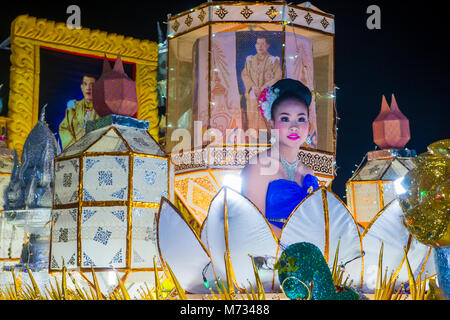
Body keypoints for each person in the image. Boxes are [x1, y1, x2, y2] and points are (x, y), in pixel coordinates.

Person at [241, 79, 319, 238]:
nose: (294, 126)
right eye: (285, 118)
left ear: (308, 125)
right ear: (271, 124)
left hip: (308, 255)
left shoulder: (308, 171)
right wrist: (297, 245)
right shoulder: (258, 167)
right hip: (269, 258)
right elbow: (251, 225)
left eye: (301, 118)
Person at [241, 35, 282, 134]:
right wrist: (252, 87)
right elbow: (245, 74)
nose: (260, 46)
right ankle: (253, 143)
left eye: (263, 44)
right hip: (252, 95)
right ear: (255, 45)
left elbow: (277, 77)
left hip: (266, 95)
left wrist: (263, 88)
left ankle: (266, 143)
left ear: (267, 45)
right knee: (253, 123)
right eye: (258, 43)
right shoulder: (250, 60)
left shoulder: (273, 60)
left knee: (265, 121)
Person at [59, 74, 99, 149]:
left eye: (92, 85)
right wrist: (74, 147)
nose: (88, 88)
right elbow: (64, 128)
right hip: (74, 153)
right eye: (85, 84)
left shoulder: (103, 110)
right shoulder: (73, 108)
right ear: (82, 87)